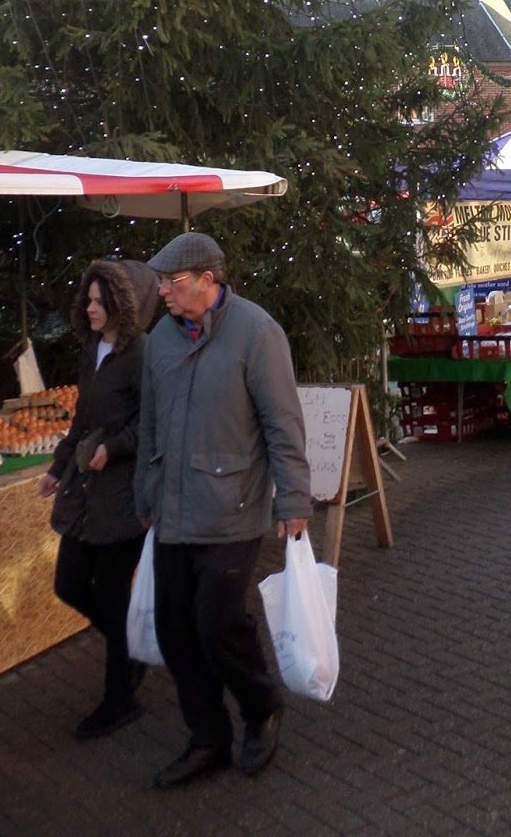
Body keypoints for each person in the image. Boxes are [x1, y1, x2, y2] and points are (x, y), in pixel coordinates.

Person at [135, 231, 312, 790]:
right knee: (175, 627)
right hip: (172, 509)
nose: (163, 291)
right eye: (161, 282)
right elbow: (149, 425)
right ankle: (207, 737)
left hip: (232, 506)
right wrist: (145, 492)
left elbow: (283, 424)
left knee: (217, 624)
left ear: (208, 282)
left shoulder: (256, 332)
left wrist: (294, 499)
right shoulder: (161, 338)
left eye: (174, 282)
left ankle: (262, 707)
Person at [39, 259, 157, 739]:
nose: (89, 308)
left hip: (123, 495)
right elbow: (82, 422)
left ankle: (119, 700)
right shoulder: (92, 350)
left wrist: (116, 448)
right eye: (86, 299)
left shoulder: (142, 354)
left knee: (110, 594)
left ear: (119, 305)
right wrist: (57, 466)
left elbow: (150, 422)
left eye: (97, 300)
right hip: (85, 490)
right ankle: (129, 649)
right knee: (68, 584)